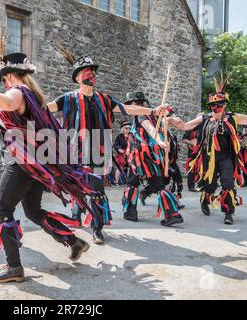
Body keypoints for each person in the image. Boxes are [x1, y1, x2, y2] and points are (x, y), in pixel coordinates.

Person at [0, 52, 101, 283]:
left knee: (2, 210)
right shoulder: (34, 96)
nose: (4, 83)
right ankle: (74, 242)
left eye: (3, 79)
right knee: (33, 211)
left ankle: (14, 268)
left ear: (9, 76)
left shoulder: (17, 92)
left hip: (21, 164)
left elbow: (8, 102)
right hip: (36, 165)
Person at [47, 48, 168, 244]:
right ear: (78, 77)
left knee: (96, 190)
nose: (92, 75)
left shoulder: (104, 99)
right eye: (87, 72)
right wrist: (20, 105)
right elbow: (45, 107)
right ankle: (77, 216)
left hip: (97, 149)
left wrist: (153, 110)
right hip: (73, 150)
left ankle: (97, 228)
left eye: (93, 72)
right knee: (76, 187)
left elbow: (128, 109)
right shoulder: (67, 98)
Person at [173, 74, 247, 225]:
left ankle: (228, 213)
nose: (215, 108)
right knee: (209, 185)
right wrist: (171, 120)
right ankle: (205, 200)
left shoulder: (233, 118)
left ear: (224, 104)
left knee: (228, 184)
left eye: (218, 105)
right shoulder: (204, 118)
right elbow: (184, 126)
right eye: (212, 105)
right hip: (208, 158)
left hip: (227, 157)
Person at [121, 92, 184, 226]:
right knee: (133, 181)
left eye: (132, 105)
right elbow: (159, 127)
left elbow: (151, 130)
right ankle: (131, 212)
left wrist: (160, 141)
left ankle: (172, 214)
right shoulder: (151, 117)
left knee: (155, 184)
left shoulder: (142, 116)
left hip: (142, 157)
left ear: (136, 104)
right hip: (144, 157)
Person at [181, 118, 202, 192]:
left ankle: (201, 184)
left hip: (203, 151)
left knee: (203, 167)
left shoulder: (205, 128)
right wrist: (192, 143)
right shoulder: (190, 129)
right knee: (191, 168)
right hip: (192, 151)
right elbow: (184, 139)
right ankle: (191, 186)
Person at [113, 121, 131, 186]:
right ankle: (116, 181)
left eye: (129, 128)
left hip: (130, 154)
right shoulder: (119, 136)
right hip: (122, 155)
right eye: (126, 128)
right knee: (119, 168)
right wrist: (120, 150)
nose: (128, 130)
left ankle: (129, 182)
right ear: (123, 129)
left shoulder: (131, 136)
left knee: (130, 167)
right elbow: (115, 145)